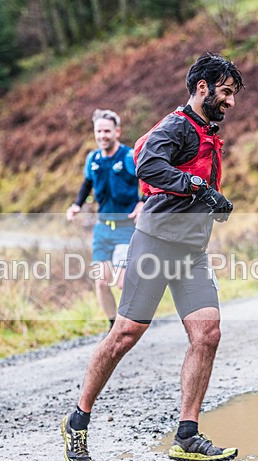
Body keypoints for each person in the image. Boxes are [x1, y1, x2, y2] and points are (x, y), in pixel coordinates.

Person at [61, 53, 244, 461]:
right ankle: (78, 419)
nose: (231, 102)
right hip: (156, 244)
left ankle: (187, 435)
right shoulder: (178, 125)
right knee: (125, 333)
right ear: (203, 88)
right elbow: (148, 164)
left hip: (191, 251)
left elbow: (183, 179)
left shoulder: (206, 131)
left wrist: (210, 203)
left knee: (208, 333)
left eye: (233, 94)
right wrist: (200, 188)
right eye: (227, 92)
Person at [66, 109, 143, 328]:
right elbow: (87, 184)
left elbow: (148, 180)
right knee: (101, 282)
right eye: (98, 131)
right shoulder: (93, 158)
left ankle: (133, 321)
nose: (102, 136)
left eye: (107, 131)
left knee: (121, 282)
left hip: (126, 229)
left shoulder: (129, 157)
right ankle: (114, 327)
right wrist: (76, 205)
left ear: (117, 132)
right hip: (102, 229)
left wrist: (142, 202)